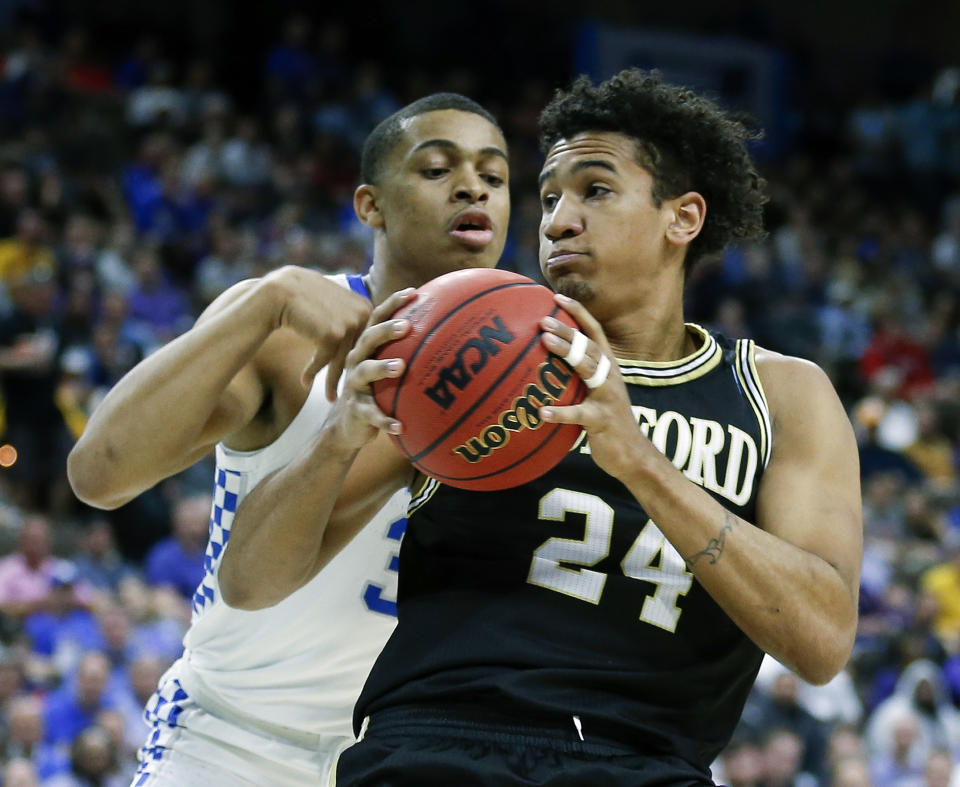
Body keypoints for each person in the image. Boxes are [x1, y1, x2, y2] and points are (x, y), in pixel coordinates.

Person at [232, 69, 863, 785]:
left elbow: (821, 640)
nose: (558, 220)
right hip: (438, 745)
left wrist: (644, 466)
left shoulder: (780, 392)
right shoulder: (474, 346)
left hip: (650, 762)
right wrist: (341, 431)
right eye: (551, 198)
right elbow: (249, 580)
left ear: (682, 218)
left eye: (594, 190)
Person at [66, 92, 510, 786]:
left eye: (494, 173)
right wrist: (262, 299)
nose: (472, 186)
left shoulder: (537, 370)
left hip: (410, 758)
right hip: (236, 739)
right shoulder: (287, 329)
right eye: (436, 168)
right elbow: (99, 474)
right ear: (370, 205)